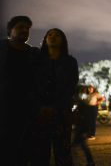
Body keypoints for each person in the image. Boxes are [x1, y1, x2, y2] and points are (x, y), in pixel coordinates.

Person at [32, 28, 79, 165]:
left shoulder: (70, 62)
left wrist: (56, 107)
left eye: (57, 35)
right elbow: (33, 85)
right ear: (45, 40)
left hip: (62, 113)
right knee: (40, 153)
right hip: (40, 113)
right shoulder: (37, 61)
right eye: (50, 35)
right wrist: (40, 106)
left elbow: (70, 87)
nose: (53, 37)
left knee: (63, 153)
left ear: (63, 40)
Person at [0, 16, 40, 164]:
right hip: (4, 109)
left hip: (27, 111)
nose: (25, 30)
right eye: (20, 27)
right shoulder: (2, 49)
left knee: (23, 153)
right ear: (10, 30)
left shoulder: (34, 54)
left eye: (27, 28)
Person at [73, 86, 96, 166]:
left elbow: (83, 117)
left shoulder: (82, 103)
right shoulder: (82, 102)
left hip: (81, 127)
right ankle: (90, 161)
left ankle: (89, 162)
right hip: (82, 127)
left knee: (80, 145)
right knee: (81, 145)